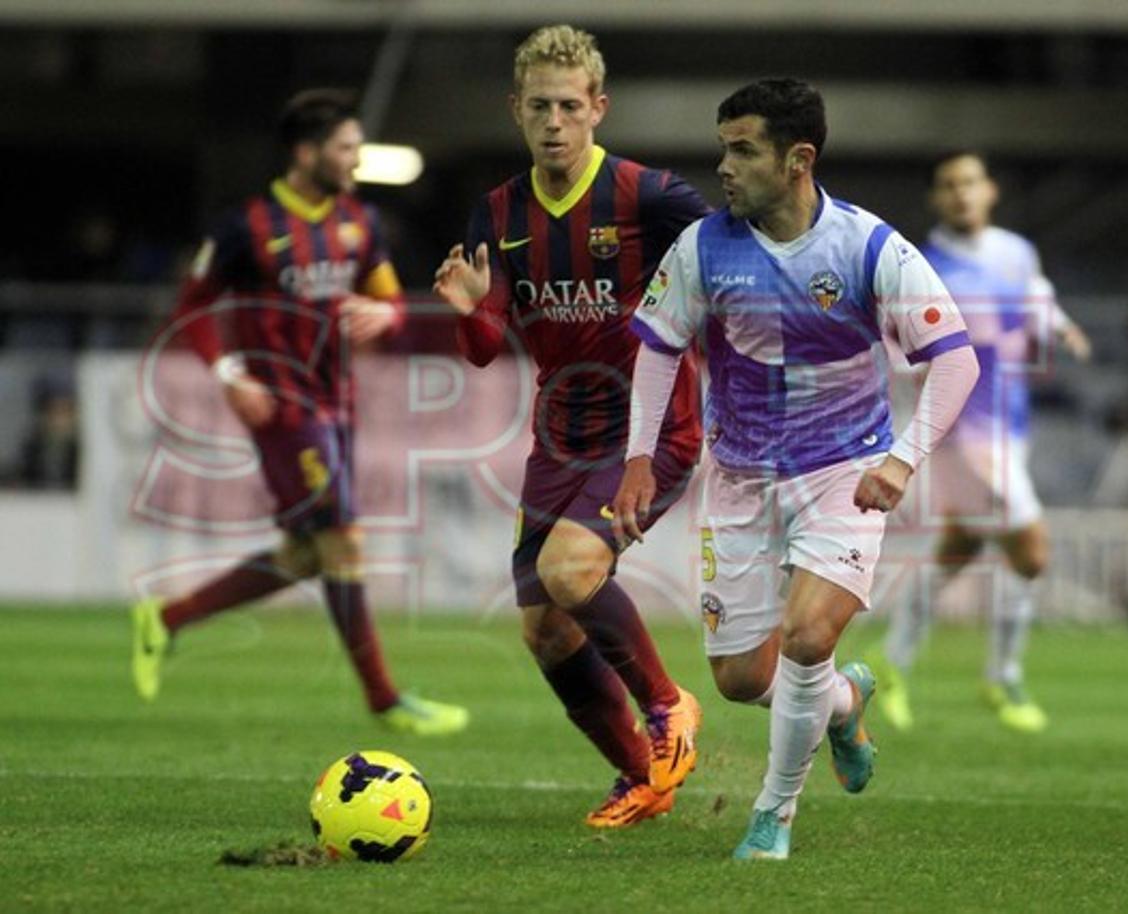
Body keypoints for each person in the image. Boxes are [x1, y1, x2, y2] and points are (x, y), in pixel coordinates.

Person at [611, 78, 980, 860]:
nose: (726, 167)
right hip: (740, 478)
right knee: (742, 678)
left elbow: (956, 363)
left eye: (743, 150)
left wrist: (902, 461)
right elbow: (657, 346)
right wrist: (638, 458)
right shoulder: (705, 246)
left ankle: (772, 816)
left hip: (842, 475)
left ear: (797, 159)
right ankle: (845, 704)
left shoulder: (868, 246)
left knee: (809, 636)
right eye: (724, 150)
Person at [433, 24, 708, 828]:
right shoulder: (499, 213)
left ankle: (668, 707)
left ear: (598, 108)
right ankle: (641, 779)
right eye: (539, 107)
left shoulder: (647, 196)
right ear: (516, 110)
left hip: (649, 433)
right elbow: (487, 349)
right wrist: (468, 314)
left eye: (569, 106)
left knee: (567, 574)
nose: (554, 122)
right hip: (559, 437)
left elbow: (724, 258)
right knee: (545, 630)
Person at [130, 89, 468, 736]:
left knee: (308, 554)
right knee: (343, 538)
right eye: (345, 147)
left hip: (337, 403)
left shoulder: (360, 224)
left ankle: (167, 619)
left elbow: (392, 306)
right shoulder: (246, 227)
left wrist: (386, 314)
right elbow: (191, 307)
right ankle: (385, 698)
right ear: (306, 152)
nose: (355, 158)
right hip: (281, 408)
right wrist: (230, 375)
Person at [871, 151, 1092, 734]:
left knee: (959, 548)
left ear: (989, 189)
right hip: (964, 431)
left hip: (1009, 422)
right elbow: (905, 349)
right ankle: (1003, 676)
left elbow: (1036, 295)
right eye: (949, 185)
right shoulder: (927, 266)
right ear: (936, 200)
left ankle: (890, 665)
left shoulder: (1016, 251)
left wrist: (1061, 326)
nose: (962, 193)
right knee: (1032, 547)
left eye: (970, 181)